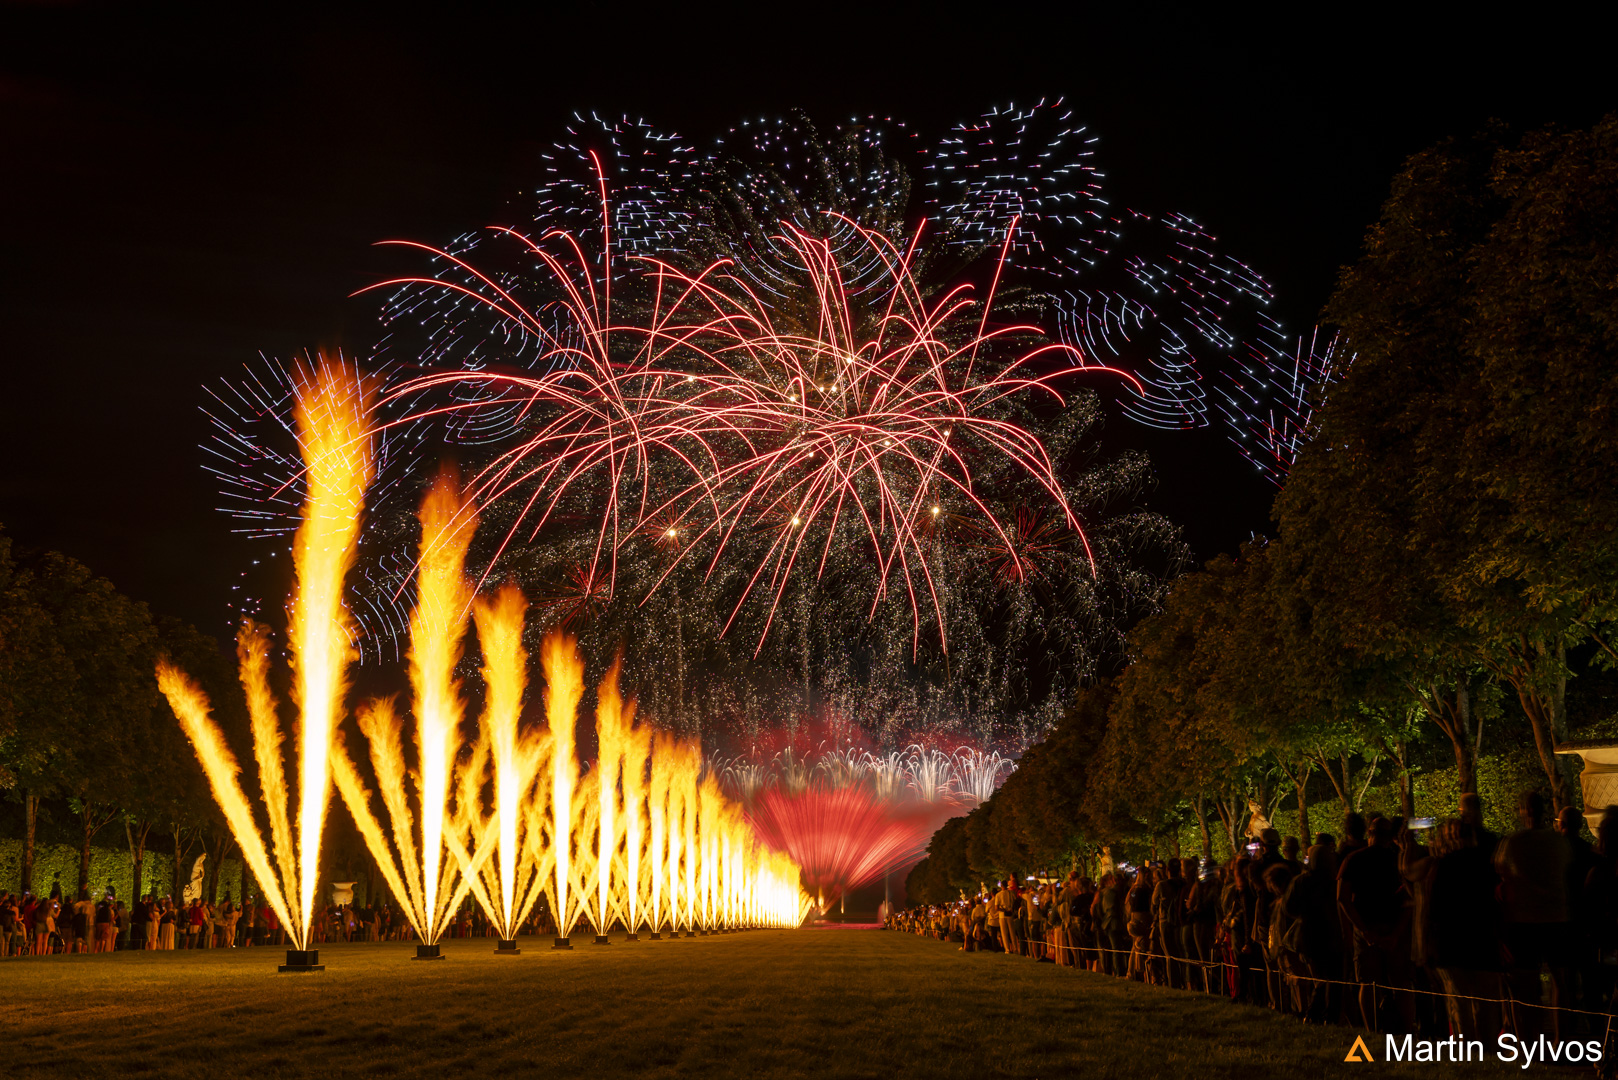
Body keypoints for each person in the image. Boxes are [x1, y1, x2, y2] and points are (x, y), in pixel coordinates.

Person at [1495, 789, 1571, 1038]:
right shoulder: (1558, 841)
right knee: (1560, 982)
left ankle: (1530, 1041)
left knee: (1526, 986)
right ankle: (1561, 1038)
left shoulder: (1513, 842)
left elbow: (1502, 874)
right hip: (1556, 916)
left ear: (1522, 811)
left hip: (1523, 920)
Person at [1337, 815, 1412, 1030]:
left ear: (1369, 833)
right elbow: (1409, 899)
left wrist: (1362, 930)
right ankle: (1407, 1029)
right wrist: (1397, 933)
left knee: (1368, 984)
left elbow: (1342, 897)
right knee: (1401, 983)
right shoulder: (1399, 859)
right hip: (1394, 926)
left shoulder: (1353, 859)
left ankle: (1371, 1029)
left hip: (1366, 927)